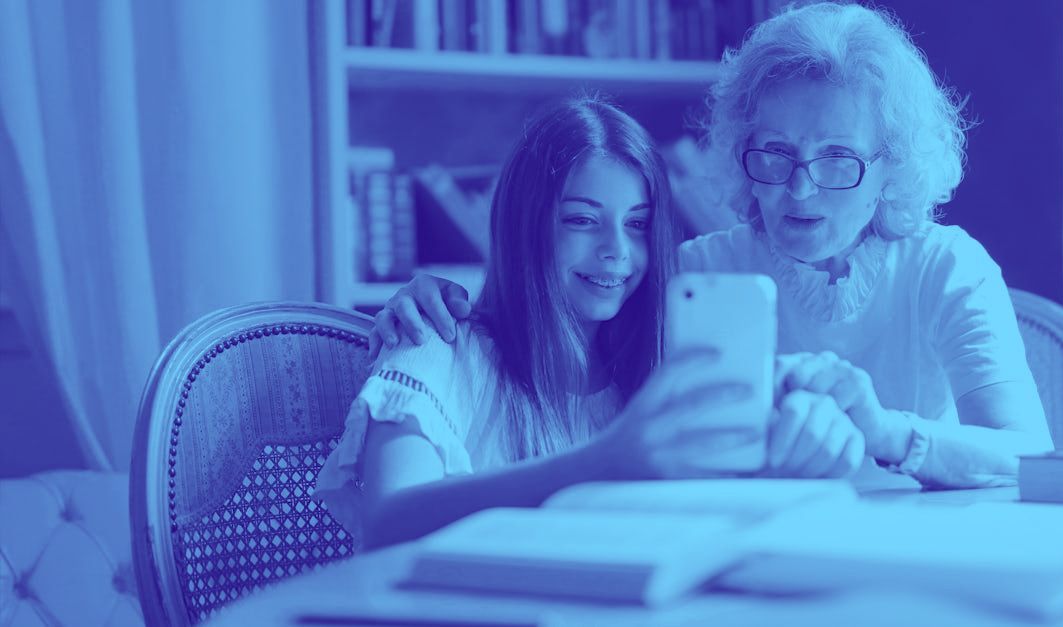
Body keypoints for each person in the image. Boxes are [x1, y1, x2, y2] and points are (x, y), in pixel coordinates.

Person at [372, 3, 1055, 489]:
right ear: (740, 151)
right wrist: (436, 298)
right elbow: (559, 320)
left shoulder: (947, 266)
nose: (800, 188)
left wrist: (887, 432)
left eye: (838, 159)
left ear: (890, 168)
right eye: (775, 153)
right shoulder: (693, 273)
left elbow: (1031, 455)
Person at [315, 96, 862, 550]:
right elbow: (387, 523)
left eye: (638, 225)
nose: (616, 252)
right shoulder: (437, 344)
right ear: (525, 225)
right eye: (582, 220)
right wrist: (602, 462)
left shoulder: (654, 372)